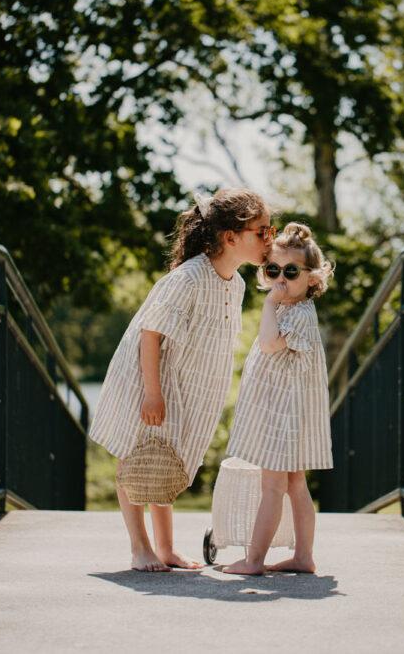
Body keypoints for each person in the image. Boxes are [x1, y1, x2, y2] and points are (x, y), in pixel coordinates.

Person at [89, 187, 273, 572]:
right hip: (149, 379)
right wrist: (153, 394)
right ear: (231, 236)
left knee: (168, 462)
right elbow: (150, 333)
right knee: (138, 458)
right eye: (262, 231)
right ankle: (140, 547)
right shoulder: (189, 278)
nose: (269, 239)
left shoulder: (236, 285)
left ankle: (167, 548)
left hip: (187, 387)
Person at [222, 223, 333, 575]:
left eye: (290, 272)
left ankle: (254, 560)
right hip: (284, 411)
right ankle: (303, 556)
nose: (280, 279)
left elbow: (270, 344)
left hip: (284, 415)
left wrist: (270, 302)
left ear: (312, 279)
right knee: (294, 484)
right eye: (273, 271)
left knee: (272, 486)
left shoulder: (296, 313)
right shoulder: (290, 309)